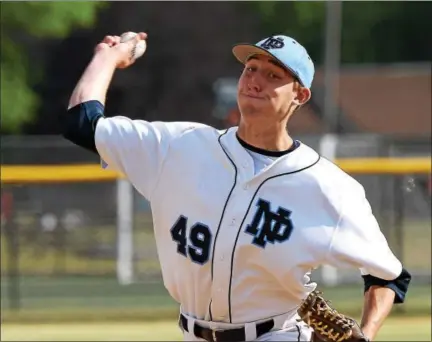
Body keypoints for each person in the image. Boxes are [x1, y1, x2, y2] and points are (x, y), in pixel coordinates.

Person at [62, 32, 411, 341]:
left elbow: (389, 277)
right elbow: (82, 123)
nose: (255, 81)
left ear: (300, 95)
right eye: (251, 69)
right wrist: (106, 58)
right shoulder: (179, 147)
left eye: (273, 75)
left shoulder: (328, 188)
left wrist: (365, 335)